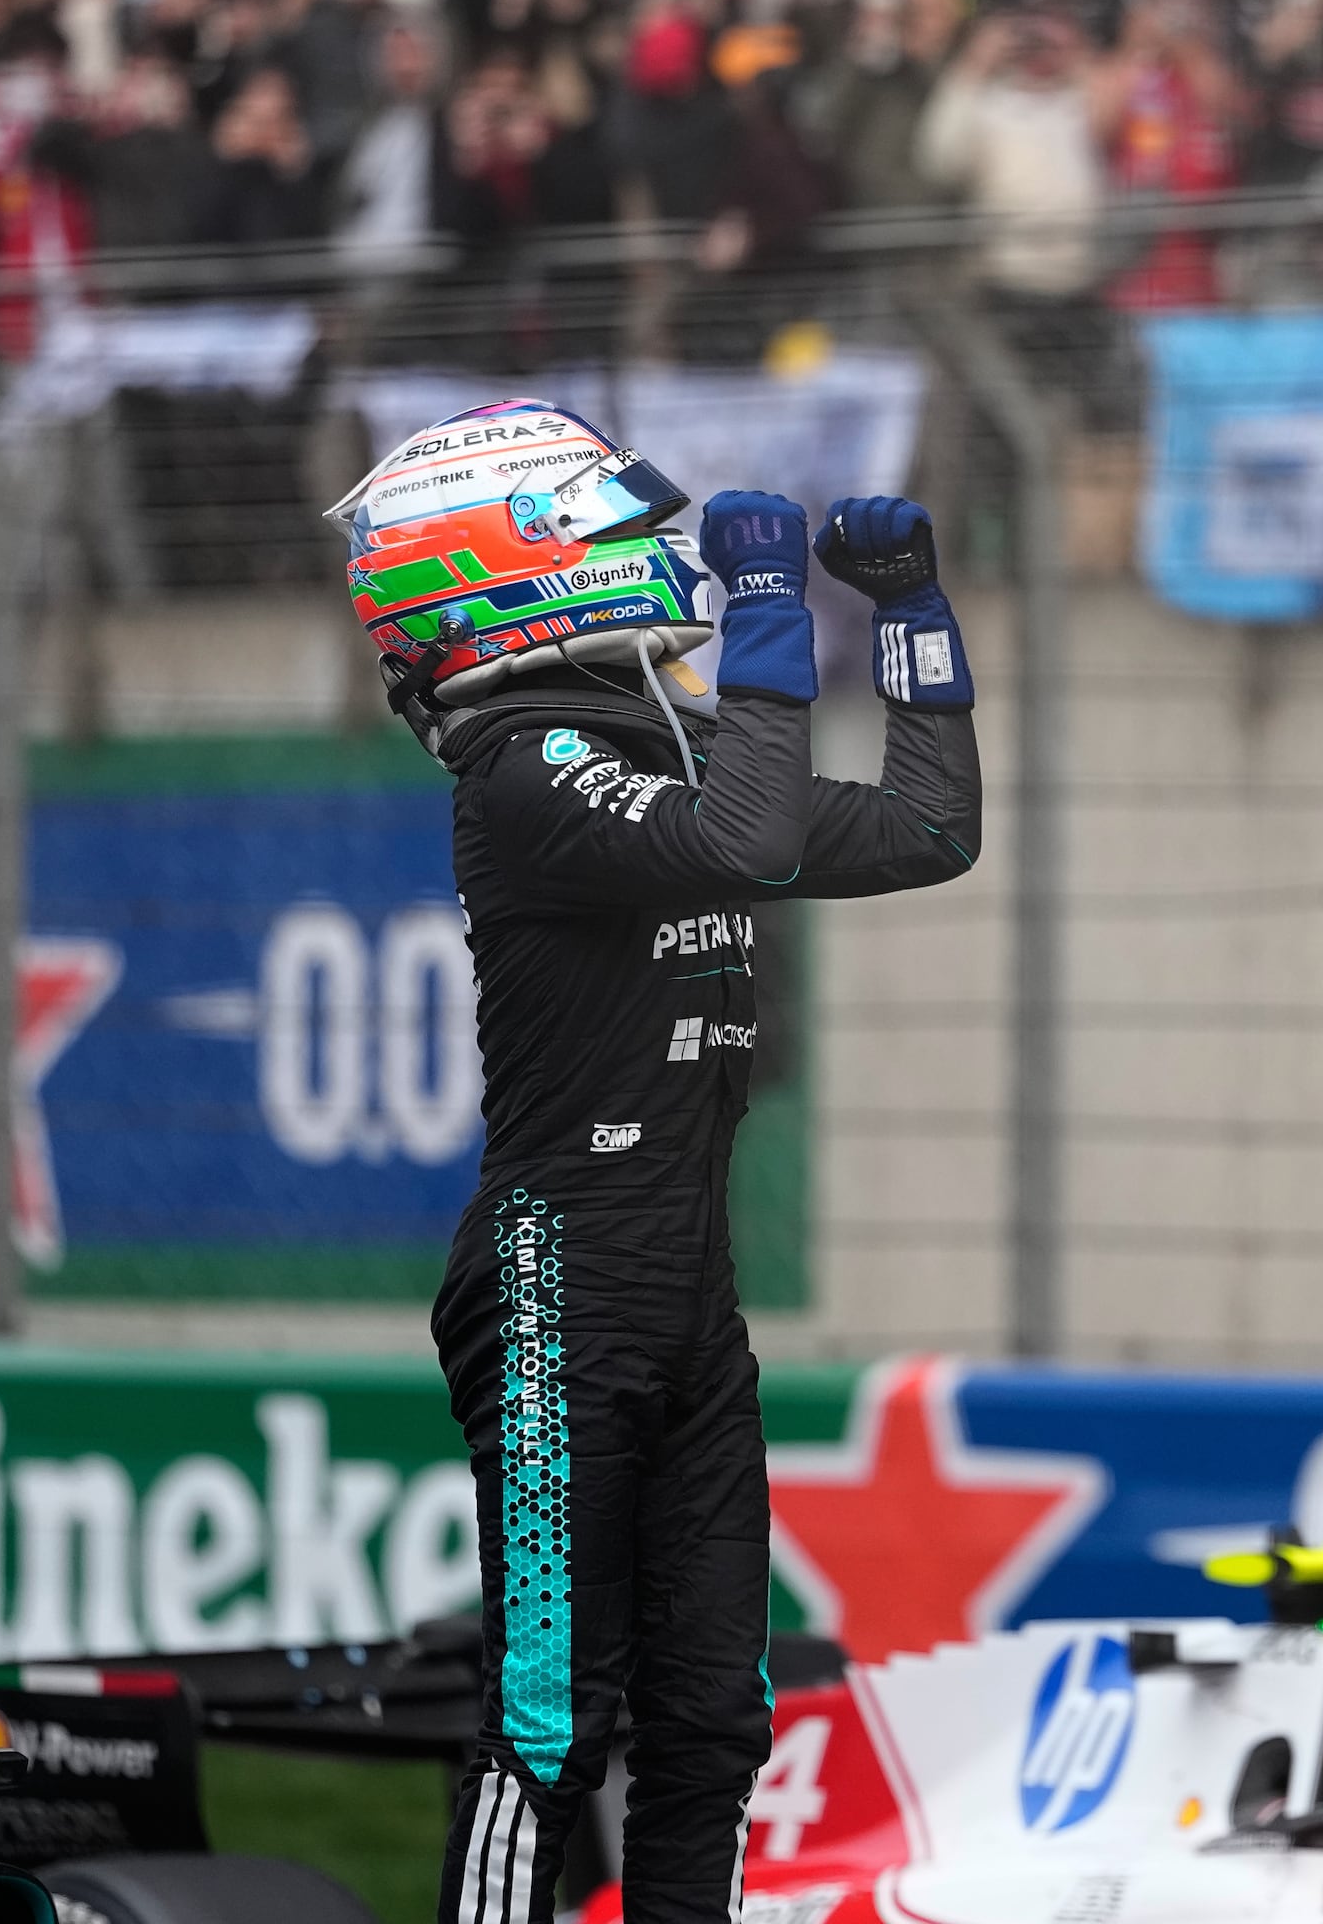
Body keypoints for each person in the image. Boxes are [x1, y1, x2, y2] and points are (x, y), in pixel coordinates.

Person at [339, 405, 982, 1924]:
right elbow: (753, 833)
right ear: (506, 565)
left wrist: (910, 617)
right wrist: (772, 610)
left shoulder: (659, 752)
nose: (660, 556)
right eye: (619, 530)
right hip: (563, 1280)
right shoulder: (522, 761)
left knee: (714, 1720)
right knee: (553, 1722)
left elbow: (929, 828)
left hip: (686, 1289)